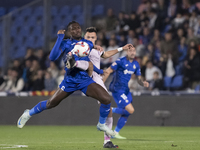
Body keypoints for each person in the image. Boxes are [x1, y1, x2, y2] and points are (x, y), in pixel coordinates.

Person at [17, 21, 115, 137]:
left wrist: (99, 64)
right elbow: (52, 57)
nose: (77, 30)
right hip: (70, 80)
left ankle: (101, 124)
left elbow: (91, 59)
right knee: (51, 103)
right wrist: (59, 38)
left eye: (78, 28)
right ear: (70, 32)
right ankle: (28, 113)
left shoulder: (87, 43)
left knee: (106, 99)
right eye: (73, 29)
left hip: (84, 80)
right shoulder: (65, 43)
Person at [82, 27, 132, 148]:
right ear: (84, 38)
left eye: (92, 37)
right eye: (88, 37)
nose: (90, 39)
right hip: (87, 80)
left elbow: (106, 54)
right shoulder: (81, 48)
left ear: (96, 38)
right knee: (107, 104)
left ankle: (107, 141)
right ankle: (102, 126)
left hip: (97, 79)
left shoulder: (97, 49)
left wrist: (122, 48)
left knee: (108, 108)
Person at [103, 46, 149, 139]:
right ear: (126, 52)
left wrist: (143, 83)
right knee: (130, 110)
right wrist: (101, 84)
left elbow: (138, 78)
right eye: (130, 51)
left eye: (133, 51)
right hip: (117, 89)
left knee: (127, 113)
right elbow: (108, 71)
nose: (132, 52)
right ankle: (110, 110)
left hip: (126, 90)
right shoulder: (120, 61)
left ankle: (115, 133)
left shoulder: (136, 64)